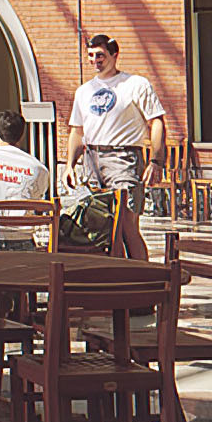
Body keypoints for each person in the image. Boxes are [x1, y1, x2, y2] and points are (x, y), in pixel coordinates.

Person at [64, 35, 166, 259]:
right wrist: (69, 165)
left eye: (100, 55)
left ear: (114, 55)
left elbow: (156, 121)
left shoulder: (135, 84)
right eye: (91, 56)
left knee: (127, 224)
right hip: (92, 158)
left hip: (124, 157)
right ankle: (112, 277)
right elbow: (77, 130)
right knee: (102, 226)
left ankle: (143, 279)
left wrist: (156, 161)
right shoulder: (84, 91)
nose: (95, 60)